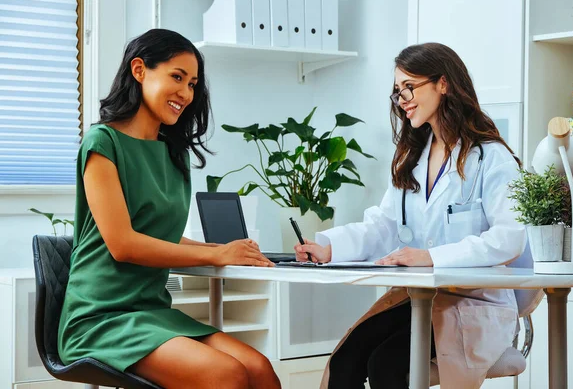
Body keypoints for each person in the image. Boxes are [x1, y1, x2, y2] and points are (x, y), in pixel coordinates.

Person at [294, 43, 528, 389]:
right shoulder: (413, 159)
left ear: (443, 84)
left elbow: (508, 238)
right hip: (419, 299)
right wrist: (329, 247)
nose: (402, 99)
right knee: (347, 358)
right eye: (397, 92)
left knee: (386, 362)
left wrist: (430, 257)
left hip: (474, 304)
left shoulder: (491, 158)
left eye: (409, 87)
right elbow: (384, 225)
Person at [57, 29, 281, 389]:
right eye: (177, 77)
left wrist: (226, 251)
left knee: (259, 368)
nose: (186, 93)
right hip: (101, 318)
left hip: (152, 311)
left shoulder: (173, 154)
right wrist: (217, 255)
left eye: (192, 83)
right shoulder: (102, 143)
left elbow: (160, 235)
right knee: (226, 374)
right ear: (140, 69)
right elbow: (124, 244)